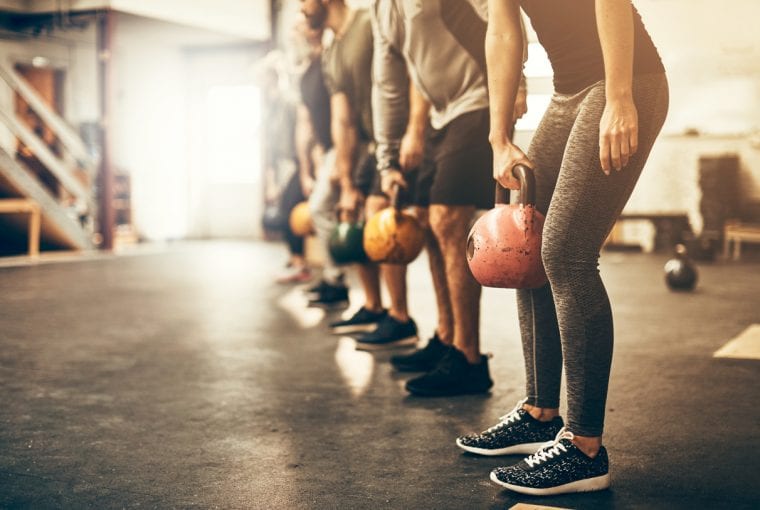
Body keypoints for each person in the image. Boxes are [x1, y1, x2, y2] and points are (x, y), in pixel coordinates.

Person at [456, 0, 668, 495]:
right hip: (570, 92)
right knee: (524, 238)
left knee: (566, 254)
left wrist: (619, 97)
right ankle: (539, 413)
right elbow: (504, 32)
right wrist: (498, 138)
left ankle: (585, 448)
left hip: (626, 81)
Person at [371, 0, 526, 395]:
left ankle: (468, 357)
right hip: (441, 114)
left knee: (446, 218)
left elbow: (500, 18)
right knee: (425, 216)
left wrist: (517, 85)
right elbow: (390, 83)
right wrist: (389, 158)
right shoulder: (382, 9)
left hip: (478, 101)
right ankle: (446, 337)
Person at [300, 0, 420, 349]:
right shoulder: (332, 48)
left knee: (380, 220)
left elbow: (410, 70)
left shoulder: (368, 23)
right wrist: (347, 180)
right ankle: (373, 305)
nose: (302, 9)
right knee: (352, 212)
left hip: (396, 136)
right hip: (367, 142)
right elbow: (343, 117)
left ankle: (400, 317)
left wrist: (412, 132)